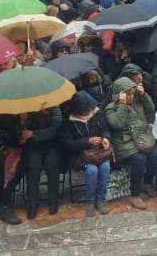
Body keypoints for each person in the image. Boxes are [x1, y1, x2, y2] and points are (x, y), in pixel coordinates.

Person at [105, 75, 157, 209]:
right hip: (124, 143)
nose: (132, 97)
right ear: (120, 95)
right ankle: (134, 194)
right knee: (139, 160)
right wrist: (123, 105)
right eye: (128, 95)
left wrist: (144, 95)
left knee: (155, 155)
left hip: (141, 137)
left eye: (133, 94)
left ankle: (147, 182)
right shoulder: (111, 108)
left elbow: (151, 108)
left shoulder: (137, 102)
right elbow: (116, 123)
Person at [60, 90, 112, 218]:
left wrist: (105, 138)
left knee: (105, 167)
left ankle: (100, 199)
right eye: (85, 110)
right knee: (92, 170)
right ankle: (90, 201)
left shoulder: (97, 114)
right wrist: (86, 141)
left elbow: (105, 129)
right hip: (80, 155)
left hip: (98, 152)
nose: (88, 112)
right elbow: (67, 144)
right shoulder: (68, 122)